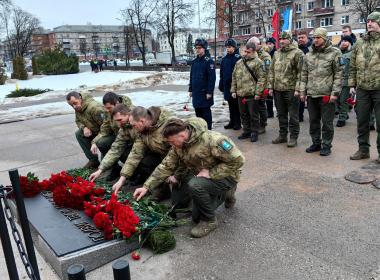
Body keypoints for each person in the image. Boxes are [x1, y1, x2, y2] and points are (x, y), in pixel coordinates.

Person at [133, 117, 245, 238]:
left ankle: (210, 221)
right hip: (202, 176)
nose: (171, 145)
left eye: (171, 141)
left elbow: (239, 160)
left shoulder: (214, 140)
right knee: (195, 216)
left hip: (227, 176)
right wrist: (146, 187)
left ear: (182, 135)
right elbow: (165, 166)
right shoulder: (178, 146)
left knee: (194, 185)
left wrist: (211, 173)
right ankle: (225, 194)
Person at [111, 106, 172, 199]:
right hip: (162, 158)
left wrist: (174, 174)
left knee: (181, 200)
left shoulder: (168, 126)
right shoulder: (142, 131)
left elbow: (179, 154)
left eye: (134, 125)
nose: (134, 129)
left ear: (142, 121)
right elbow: (135, 154)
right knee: (146, 161)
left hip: (179, 161)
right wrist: (122, 179)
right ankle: (161, 190)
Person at [299, 27, 343, 156]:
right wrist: (302, 91)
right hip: (312, 94)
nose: (315, 40)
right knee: (313, 121)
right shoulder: (309, 54)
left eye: (318, 38)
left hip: (326, 94)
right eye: (314, 38)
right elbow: (303, 74)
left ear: (324, 38)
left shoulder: (335, 53)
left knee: (327, 123)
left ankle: (327, 145)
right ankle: (316, 143)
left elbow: (339, 74)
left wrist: (335, 93)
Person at [349, 11, 380, 163]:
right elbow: (353, 65)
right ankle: (363, 150)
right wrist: (352, 85)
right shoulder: (360, 43)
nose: (370, 23)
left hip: (379, 88)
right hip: (362, 88)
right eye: (368, 21)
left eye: (373, 21)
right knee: (362, 121)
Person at [268, 31, 303, 147]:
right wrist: (271, 87)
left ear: (290, 40)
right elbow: (271, 71)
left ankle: (293, 137)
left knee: (293, 115)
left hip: (291, 89)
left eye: (284, 39)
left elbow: (301, 73)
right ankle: (282, 135)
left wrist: (298, 89)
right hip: (278, 89)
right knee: (281, 114)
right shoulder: (276, 53)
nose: (282, 41)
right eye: (280, 39)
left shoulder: (297, 53)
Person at [90, 92, 133, 180]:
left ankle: (136, 173)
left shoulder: (133, 114)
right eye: (106, 108)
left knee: (130, 154)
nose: (107, 110)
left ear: (117, 103)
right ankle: (115, 169)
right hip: (121, 138)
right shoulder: (109, 112)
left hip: (133, 142)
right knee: (102, 143)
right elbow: (105, 129)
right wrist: (94, 142)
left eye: (109, 108)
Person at [231, 41, 266, 143]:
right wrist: (234, 90)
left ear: (254, 51)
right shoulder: (239, 62)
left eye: (248, 52)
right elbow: (234, 77)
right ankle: (246, 130)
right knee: (243, 114)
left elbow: (262, 79)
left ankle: (254, 132)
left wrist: (258, 93)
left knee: (253, 115)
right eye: (245, 51)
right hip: (241, 93)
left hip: (252, 94)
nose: (246, 53)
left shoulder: (258, 62)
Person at [66, 91, 105, 168]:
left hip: (104, 133)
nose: (74, 106)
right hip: (94, 130)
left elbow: (106, 128)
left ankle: (107, 163)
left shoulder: (94, 108)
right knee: (79, 134)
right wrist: (84, 128)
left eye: (75, 103)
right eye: (71, 105)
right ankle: (93, 161)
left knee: (102, 142)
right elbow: (78, 121)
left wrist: (95, 141)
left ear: (80, 98)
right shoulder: (78, 107)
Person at [189, 38, 216, 130]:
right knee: (198, 112)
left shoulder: (209, 61)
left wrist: (209, 92)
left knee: (206, 112)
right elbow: (191, 77)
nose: (197, 49)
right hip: (196, 93)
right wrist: (190, 89)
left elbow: (212, 78)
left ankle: (208, 130)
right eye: (196, 48)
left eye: (199, 48)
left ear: (204, 48)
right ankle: (201, 129)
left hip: (205, 93)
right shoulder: (194, 62)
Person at [247, 36, 271, 133]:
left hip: (262, 85)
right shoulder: (250, 54)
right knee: (253, 107)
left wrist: (266, 87)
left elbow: (267, 72)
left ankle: (263, 125)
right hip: (251, 86)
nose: (252, 47)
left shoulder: (265, 56)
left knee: (261, 106)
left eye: (254, 45)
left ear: (258, 44)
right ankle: (254, 124)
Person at [219, 38, 241, 130]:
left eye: (230, 47)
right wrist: (221, 84)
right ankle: (232, 121)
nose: (228, 49)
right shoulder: (224, 59)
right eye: (227, 47)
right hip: (227, 86)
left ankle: (238, 123)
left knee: (236, 106)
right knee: (230, 105)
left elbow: (240, 74)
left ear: (234, 47)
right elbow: (222, 73)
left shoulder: (238, 58)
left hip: (235, 86)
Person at [336, 36, 353, 127]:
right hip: (337, 80)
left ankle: (342, 118)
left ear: (350, 43)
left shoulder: (353, 53)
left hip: (347, 81)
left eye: (346, 41)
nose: (343, 42)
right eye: (342, 41)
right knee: (337, 100)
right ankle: (345, 115)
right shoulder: (338, 53)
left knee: (343, 100)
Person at [297, 30, 313, 122]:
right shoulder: (296, 49)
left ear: (307, 37)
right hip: (300, 76)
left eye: (302, 37)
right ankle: (300, 115)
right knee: (300, 96)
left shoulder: (312, 48)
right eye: (299, 38)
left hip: (311, 76)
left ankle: (314, 116)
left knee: (310, 98)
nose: (300, 39)